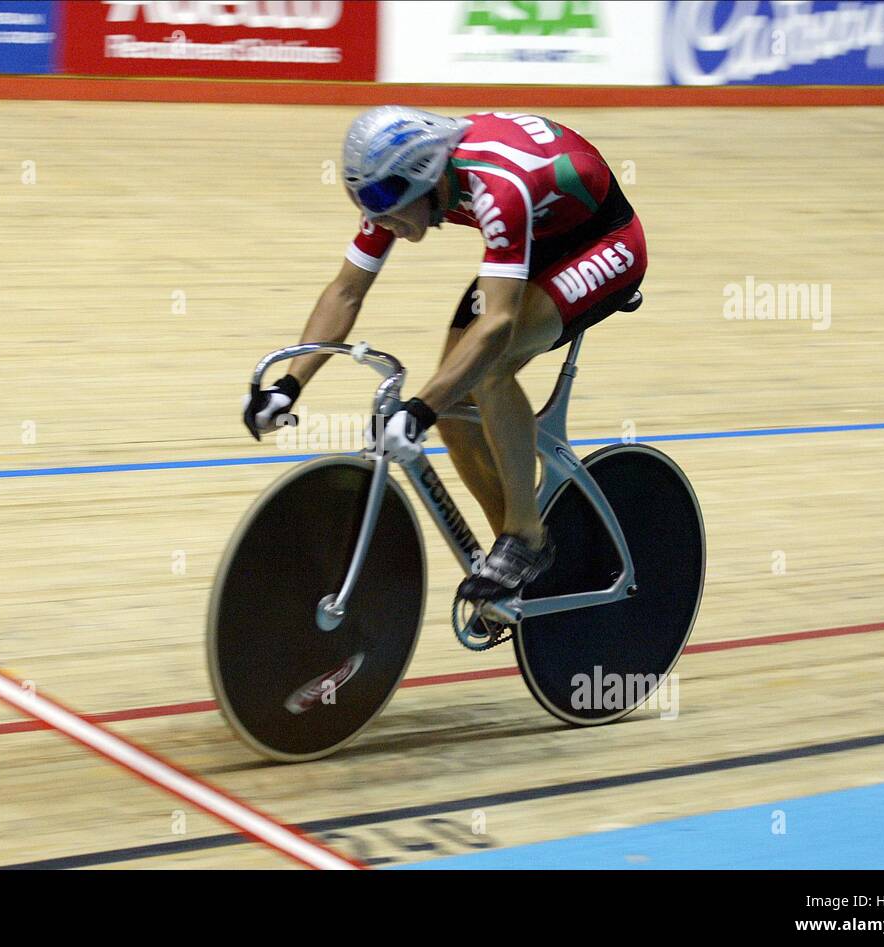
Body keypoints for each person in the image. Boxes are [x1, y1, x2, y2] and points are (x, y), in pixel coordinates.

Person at [243, 106, 646, 604]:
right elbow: (346, 292)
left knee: (488, 369)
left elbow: (497, 324)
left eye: (389, 209)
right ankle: (521, 571)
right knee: (454, 407)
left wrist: (418, 410)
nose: (380, 221)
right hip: (536, 237)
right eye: (368, 206)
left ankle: (528, 540)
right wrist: (289, 385)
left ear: (427, 177)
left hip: (603, 243)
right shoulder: (392, 185)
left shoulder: (496, 189)